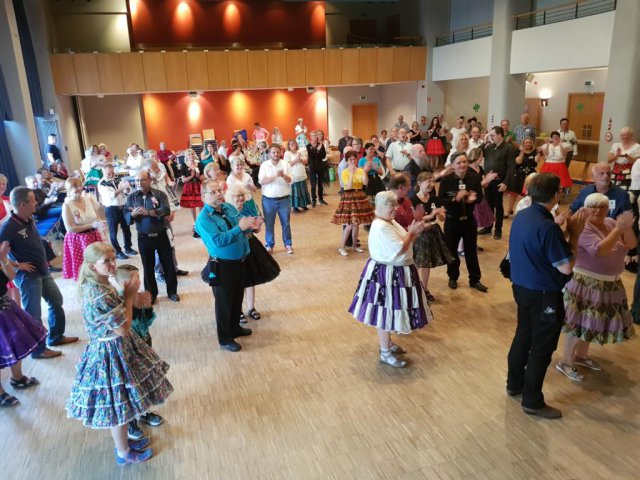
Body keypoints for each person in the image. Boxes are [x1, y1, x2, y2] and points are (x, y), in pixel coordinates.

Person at [66, 242, 172, 465]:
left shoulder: (102, 283)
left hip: (118, 347)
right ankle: (123, 452)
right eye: (106, 261)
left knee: (124, 401)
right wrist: (130, 297)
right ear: (93, 266)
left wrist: (127, 296)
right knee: (119, 406)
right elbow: (123, 328)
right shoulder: (98, 294)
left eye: (113, 258)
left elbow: (119, 316)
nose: (113, 264)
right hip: (110, 352)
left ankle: (124, 443)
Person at [507, 173, 586, 419]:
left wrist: (561, 232)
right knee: (541, 347)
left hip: (522, 287)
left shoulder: (522, 215)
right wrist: (574, 235)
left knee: (523, 335)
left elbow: (542, 248)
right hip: (543, 294)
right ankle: (532, 401)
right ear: (555, 194)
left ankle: (514, 384)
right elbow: (566, 267)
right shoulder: (547, 226)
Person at [348, 191, 431, 368]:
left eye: (395, 205)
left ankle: (387, 345)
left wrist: (414, 231)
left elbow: (403, 240)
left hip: (396, 271)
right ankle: (385, 352)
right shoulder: (381, 226)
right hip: (388, 274)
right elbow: (399, 249)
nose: (395, 209)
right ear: (378, 207)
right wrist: (412, 233)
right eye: (390, 206)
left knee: (391, 311)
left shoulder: (389, 221)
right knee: (385, 312)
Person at [557, 193, 635, 382]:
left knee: (592, 323)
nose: (598, 211)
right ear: (585, 208)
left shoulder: (610, 222)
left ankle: (581, 356)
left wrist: (627, 228)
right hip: (586, 283)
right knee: (579, 324)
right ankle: (565, 361)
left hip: (609, 283)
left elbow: (631, 244)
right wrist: (619, 229)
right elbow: (600, 250)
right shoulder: (583, 227)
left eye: (602, 207)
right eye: (593, 206)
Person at [0, 187, 78, 358]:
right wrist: (17, 265)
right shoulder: (8, 228)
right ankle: (38, 350)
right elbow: (0, 254)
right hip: (28, 277)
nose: (36, 203)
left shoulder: (29, 218)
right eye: (33, 200)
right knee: (33, 314)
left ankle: (56, 337)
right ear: (23, 204)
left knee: (56, 301)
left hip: (42, 270)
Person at [195, 179, 262, 352]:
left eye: (219, 190)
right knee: (224, 303)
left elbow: (242, 227)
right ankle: (225, 339)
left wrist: (252, 227)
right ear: (203, 197)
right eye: (213, 192)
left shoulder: (228, 207)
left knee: (237, 297)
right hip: (222, 266)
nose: (219, 194)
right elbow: (218, 241)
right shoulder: (203, 219)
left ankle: (235, 328)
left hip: (240, 261)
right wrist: (240, 227)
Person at [114, 264, 166, 436]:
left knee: (144, 381)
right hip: (127, 349)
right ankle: (131, 422)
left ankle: (144, 412)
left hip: (144, 344)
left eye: (138, 277)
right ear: (123, 283)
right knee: (130, 386)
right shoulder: (119, 301)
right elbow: (127, 327)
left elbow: (145, 324)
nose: (139, 282)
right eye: (134, 279)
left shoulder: (139, 296)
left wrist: (147, 307)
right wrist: (136, 306)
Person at [0, 240, 47, 407]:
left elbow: (11, 277)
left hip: (5, 305)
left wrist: (3, 258)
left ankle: (17, 378)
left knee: (15, 342)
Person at [225, 184, 280, 324]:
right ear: (231, 197)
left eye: (242, 195)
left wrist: (258, 225)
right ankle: (238, 311)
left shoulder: (249, 208)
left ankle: (251, 308)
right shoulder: (228, 212)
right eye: (238, 196)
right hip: (236, 248)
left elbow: (255, 230)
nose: (241, 198)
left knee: (250, 279)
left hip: (250, 245)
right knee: (237, 282)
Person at [124, 171, 179, 304]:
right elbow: (126, 216)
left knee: (168, 265)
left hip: (161, 235)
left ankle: (172, 292)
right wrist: (132, 215)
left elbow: (165, 210)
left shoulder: (159, 194)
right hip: (144, 237)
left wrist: (148, 212)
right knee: (148, 267)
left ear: (150, 180)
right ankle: (151, 294)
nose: (139, 183)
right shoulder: (132, 197)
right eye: (137, 180)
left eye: (142, 180)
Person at [437, 153, 487, 292]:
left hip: (469, 220)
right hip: (452, 220)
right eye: (459, 162)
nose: (462, 165)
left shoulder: (474, 178)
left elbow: (480, 197)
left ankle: (475, 280)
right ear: (453, 165)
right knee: (452, 251)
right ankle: (453, 277)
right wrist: (456, 199)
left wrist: (474, 198)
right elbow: (440, 200)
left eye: (464, 162)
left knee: (471, 251)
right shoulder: (446, 180)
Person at [411, 172, 453, 302]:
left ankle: (424, 288)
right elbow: (413, 219)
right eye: (428, 181)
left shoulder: (434, 199)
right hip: (419, 233)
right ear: (419, 183)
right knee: (416, 263)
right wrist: (431, 215)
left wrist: (441, 215)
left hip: (432, 232)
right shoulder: (413, 199)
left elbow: (440, 217)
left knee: (426, 263)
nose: (431, 184)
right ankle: (414, 287)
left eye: (433, 181)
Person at [332, 150, 375, 257]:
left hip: (359, 196)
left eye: (354, 159)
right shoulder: (344, 172)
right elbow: (348, 186)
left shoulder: (360, 170)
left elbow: (365, 182)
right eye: (350, 159)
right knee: (349, 225)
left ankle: (354, 246)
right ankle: (342, 247)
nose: (353, 161)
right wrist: (351, 172)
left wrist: (364, 171)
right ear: (347, 161)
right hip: (349, 197)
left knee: (356, 224)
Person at [61, 177, 106, 280]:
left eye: (80, 185)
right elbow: (70, 228)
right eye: (75, 187)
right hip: (79, 239)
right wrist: (91, 225)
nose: (79, 188)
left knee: (98, 263)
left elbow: (97, 216)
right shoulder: (67, 205)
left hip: (94, 235)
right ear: (69, 190)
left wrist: (99, 225)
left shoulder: (89, 199)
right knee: (84, 267)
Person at [480, 126, 516, 239]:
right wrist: (484, 142)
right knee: (488, 205)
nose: (491, 137)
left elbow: (511, 167)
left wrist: (505, 182)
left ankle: (498, 230)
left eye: (493, 135)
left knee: (498, 206)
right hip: (488, 181)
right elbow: (477, 153)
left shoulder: (508, 148)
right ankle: (488, 227)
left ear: (500, 135)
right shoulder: (490, 146)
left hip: (499, 181)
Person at [258, 144, 294, 254]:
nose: (276, 154)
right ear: (269, 153)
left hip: (284, 199)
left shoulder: (286, 164)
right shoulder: (265, 165)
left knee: (286, 223)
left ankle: (288, 244)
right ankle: (269, 245)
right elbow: (262, 181)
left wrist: (283, 175)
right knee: (269, 223)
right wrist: (275, 176)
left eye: (278, 152)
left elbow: (291, 180)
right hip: (268, 200)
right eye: (273, 152)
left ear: (281, 153)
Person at [504, 137, 538, 217]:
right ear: (523, 144)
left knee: (530, 195)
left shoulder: (535, 152)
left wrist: (539, 153)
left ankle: (528, 212)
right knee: (513, 194)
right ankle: (509, 211)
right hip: (519, 175)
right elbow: (518, 162)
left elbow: (536, 161)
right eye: (526, 142)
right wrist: (522, 152)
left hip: (531, 175)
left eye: (529, 142)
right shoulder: (518, 151)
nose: (528, 144)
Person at [179, 149, 204, 238]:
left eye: (192, 154)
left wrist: (198, 176)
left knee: (201, 203)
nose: (191, 156)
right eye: (189, 154)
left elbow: (202, 177)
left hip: (198, 185)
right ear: (186, 156)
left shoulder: (199, 164)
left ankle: (201, 221)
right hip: (189, 187)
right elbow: (183, 180)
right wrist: (191, 176)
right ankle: (195, 222)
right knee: (192, 205)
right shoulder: (184, 165)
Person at [608, 127, 640, 192]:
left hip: (629, 171)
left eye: (627, 135)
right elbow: (609, 160)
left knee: (626, 190)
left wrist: (627, 156)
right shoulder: (616, 145)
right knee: (613, 189)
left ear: (631, 135)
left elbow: (637, 162)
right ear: (620, 136)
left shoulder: (637, 146)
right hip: (616, 170)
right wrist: (616, 155)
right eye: (623, 135)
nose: (625, 136)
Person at [284, 140, 311, 212]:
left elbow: (306, 161)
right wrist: (296, 160)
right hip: (294, 175)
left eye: (294, 143)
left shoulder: (300, 151)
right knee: (295, 191)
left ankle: (304, 204)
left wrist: (301, 160)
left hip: (302, 174)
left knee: (303, 190)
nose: (293, 144)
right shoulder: (287, 153)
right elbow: (287, 164)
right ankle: (295, 207)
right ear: (289, 145)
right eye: (291, 144)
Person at [307, 130, 327, 207]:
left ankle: (321, 199)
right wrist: (317, 150)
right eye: (313, 135)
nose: (314, 137)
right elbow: (310, 156)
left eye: (315, 135)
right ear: (310, 137)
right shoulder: (308, 146)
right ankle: (314, 200)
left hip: (320, 166)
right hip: (312, 167)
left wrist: (318, 150)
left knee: (320, 184)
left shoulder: (321, 145)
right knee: (313, 184)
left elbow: (323, 156)